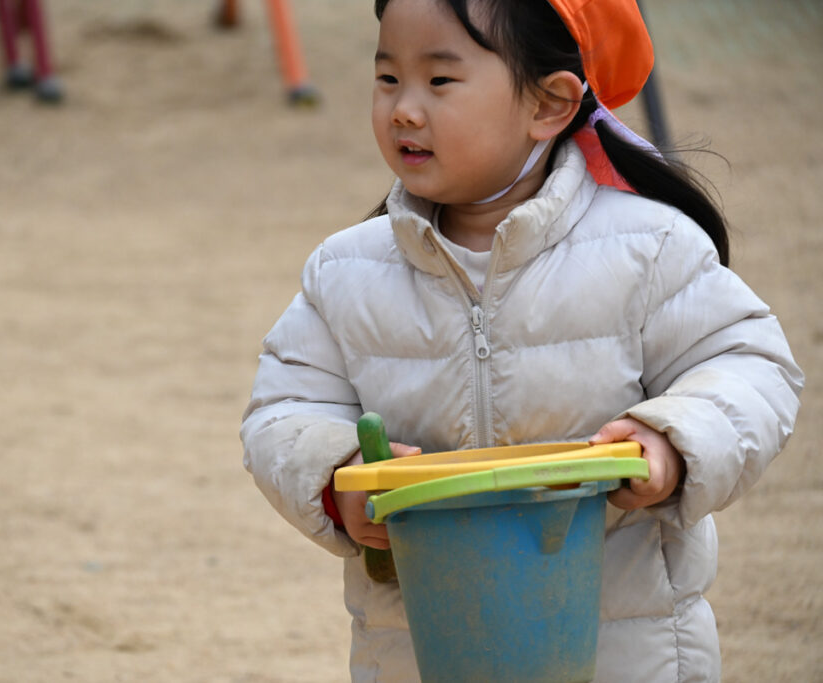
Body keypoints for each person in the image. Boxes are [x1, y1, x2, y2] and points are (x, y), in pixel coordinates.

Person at [240, 0, 803, 680]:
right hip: (424, 657)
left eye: (439, 80)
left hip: (621, 656)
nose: (403, 110)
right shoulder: (347, 272)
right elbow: (282, 409)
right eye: (388, 78)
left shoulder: (647, 248)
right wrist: (340, 478)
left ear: (550, 103)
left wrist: (672, 441)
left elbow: (748, 366)